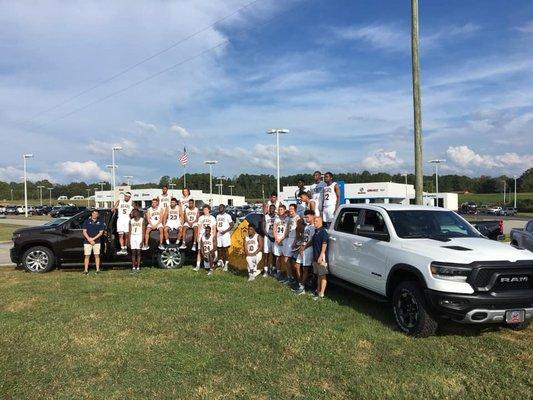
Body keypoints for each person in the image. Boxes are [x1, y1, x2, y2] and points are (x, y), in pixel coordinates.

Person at [293, 210, 316, 295]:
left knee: (305, 269)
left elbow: (312, 240)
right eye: (305, 217)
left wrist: (304, 247)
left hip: (308, 249)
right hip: (302, 247)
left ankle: (302, 287)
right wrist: (300, 246)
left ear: (313, 216)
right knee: (296, 265)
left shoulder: (314, 227)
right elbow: (304, 237)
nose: (306, 219)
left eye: (308, 217)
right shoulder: (307, 226)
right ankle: (300, 284)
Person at [281, 204, 300, 284]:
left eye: (292, 209)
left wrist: (295, 241)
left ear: (295, 209)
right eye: (290, 209)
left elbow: (298, 232)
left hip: (293, 240)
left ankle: (292, 278)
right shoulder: (290, 218)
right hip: (288, 239)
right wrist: (282, 238)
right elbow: (287, 230)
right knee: (288, 260)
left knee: (288, 260)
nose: (290, 210)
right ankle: (290, 277)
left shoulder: (298, 218)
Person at [195, 204, 217, 271]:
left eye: (206, 210)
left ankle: (212, 264)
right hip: (202, 235)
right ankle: (198, 266)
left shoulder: (212, 218)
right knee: (199, 251)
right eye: (204, 210)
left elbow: (214, 228)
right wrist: (198, 236)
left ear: (209, 210)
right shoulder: (201, 218)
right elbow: (199, 227)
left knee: (211, 251)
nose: (205, 211)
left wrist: (214, 236)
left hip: (210, 236)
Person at [82, 210, 105, 274]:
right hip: (87, 241)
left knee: (97, 255)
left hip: (97, 241)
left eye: (96, 214)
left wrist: (93, 239)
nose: (95, 215)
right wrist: (89, 239)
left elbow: (101, 233)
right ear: (92, 214)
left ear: (98, 215)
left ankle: (97, 270)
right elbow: (84, 231)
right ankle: (86, 270)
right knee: (87, 256)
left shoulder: (100, 222)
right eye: (94, 213)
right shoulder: (86, 221)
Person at [312, 216, 329, 300]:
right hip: (315, 257)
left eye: (316, 221)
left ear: (320, 221)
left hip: (320, 257)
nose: (314, 222)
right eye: (314, 221)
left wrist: (321, 256)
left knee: (323, 275)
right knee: (319, 275)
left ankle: (322, 294)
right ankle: (318, 291)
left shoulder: (323, 232)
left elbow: (324, 244)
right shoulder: (316, 231)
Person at [216, 204, 234, 271]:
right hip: (219, 234)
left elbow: (232, 225)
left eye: (221, 207)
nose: (220, 208)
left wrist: (225, 231)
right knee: (219, 249)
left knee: (225, 249)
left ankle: (226, 263)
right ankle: (221, 262)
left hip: (225, 234)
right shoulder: (217, 216)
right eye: (219, 207)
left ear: (224, 208)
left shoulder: (228, 216)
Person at [273, 204, 289, 278]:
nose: (280, 211)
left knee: (286, 258)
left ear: (285, 210)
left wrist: (282, 239)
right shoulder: (276, 219)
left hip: (285, 240)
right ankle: (278, 271)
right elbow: (274, 230)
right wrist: (277, 239)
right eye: (279, 209)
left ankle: (287, 273)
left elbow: (287, 231)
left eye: (281, 209)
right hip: (277, 240)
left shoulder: (288, 219)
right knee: (277, 257)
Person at [262, 204, 277, 277]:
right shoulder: (265, 216)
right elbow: (263, 228)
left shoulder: (277, 217)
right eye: (270, 208)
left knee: (274, 255)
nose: (271, 210)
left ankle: (273, 270)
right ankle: (265, 271)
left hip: (275, 238)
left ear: (275, 209)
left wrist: (275, 237)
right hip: (267, 237)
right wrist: (268, 236)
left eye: (273, 208)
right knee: (266, 254)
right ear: (268, 209)